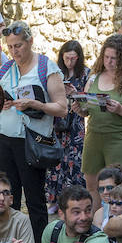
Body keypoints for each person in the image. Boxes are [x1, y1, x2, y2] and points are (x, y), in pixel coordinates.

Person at [0, 21, 67, 241]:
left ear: (30, 42)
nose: (14, 51)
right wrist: (1, 105)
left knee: (34, 197)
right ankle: (10, 242)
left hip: (31, 140)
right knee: (8, 194)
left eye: (19, 46)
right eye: (11, 47)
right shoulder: (5, 69)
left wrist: (37, 105)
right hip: (4, 138)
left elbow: (62, 108)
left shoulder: (46, 67)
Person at [81, 35, 122, 192]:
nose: (109, 62)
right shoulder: (93, 78)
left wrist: (120, 109)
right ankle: (95, 216)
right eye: (106, 57)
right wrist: (80, 110)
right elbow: (86, 108)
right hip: (95, 136)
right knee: (92, 183)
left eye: (114, 58)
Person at [45, 39, 88, 207]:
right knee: (55, 160)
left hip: (76, 122)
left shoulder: (85, 74)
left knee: (74, 160)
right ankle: (54, 199)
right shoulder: (55, 73)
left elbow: (88, 100)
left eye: (73, 58)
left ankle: (74, 201)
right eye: (67, 58)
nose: (70, 62)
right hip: (57, 121)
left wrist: (75, 93)